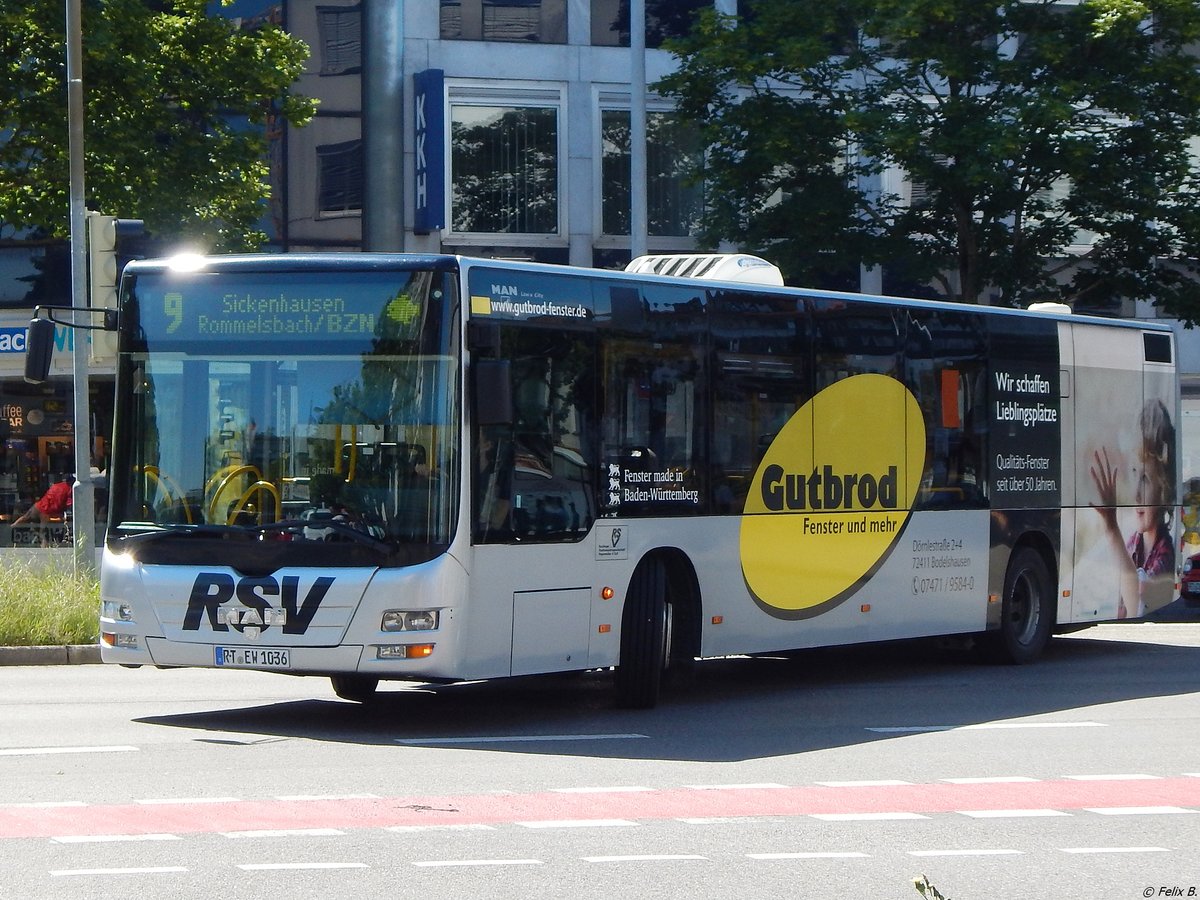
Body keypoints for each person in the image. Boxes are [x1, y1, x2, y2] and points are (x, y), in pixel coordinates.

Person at [1090, 398, 1176, 619]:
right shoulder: (1133, 544)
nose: (1136, 494)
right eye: (1134, 473)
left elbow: (1137, 606)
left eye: (1146, 478)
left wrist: (1111, 528)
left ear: (1165, 490)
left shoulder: (1165, 556)